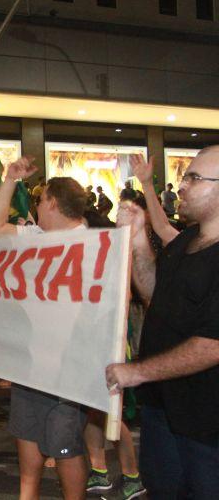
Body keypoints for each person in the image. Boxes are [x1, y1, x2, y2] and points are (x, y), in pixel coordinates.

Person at [106, 146, 219, 499]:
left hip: (206, 422)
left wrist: (138, 372)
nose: (182, 186)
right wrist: (139, 240)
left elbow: (212, 344)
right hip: (164, 409)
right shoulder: (188, 239)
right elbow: (155, 293)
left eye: (194, 178)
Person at [0, 157, 90, 500]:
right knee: (27, 436)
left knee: (63, 446)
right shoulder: (37, 236)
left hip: (69, 363)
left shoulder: (93, 244)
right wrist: (9, 179)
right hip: (31, 358)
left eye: (41, 200)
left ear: (55, 204)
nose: (37, 205)